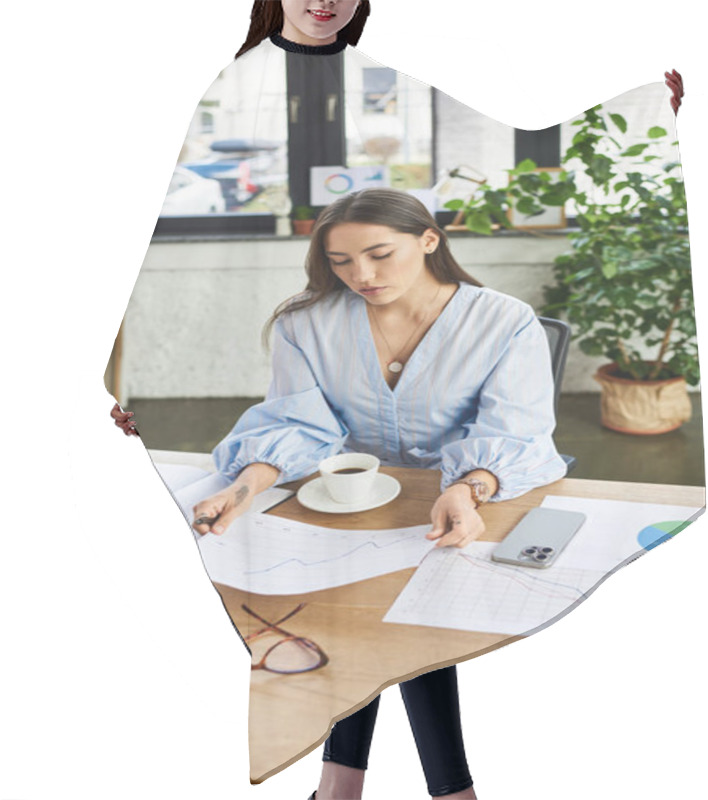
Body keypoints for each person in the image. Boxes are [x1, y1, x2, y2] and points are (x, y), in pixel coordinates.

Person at [111, 3, 566, 798]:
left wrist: (468, 486)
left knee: (392, 618)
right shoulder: (308, 325)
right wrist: (246, 484)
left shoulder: (504, 322)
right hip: (351, 511)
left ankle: (347, 786)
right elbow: (297, 426)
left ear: (430, 240)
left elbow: (517, 433)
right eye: (344, 261)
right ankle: (411, 789)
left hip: (469, 505)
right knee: (353, 609)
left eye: (381, 255)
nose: (363, 277)